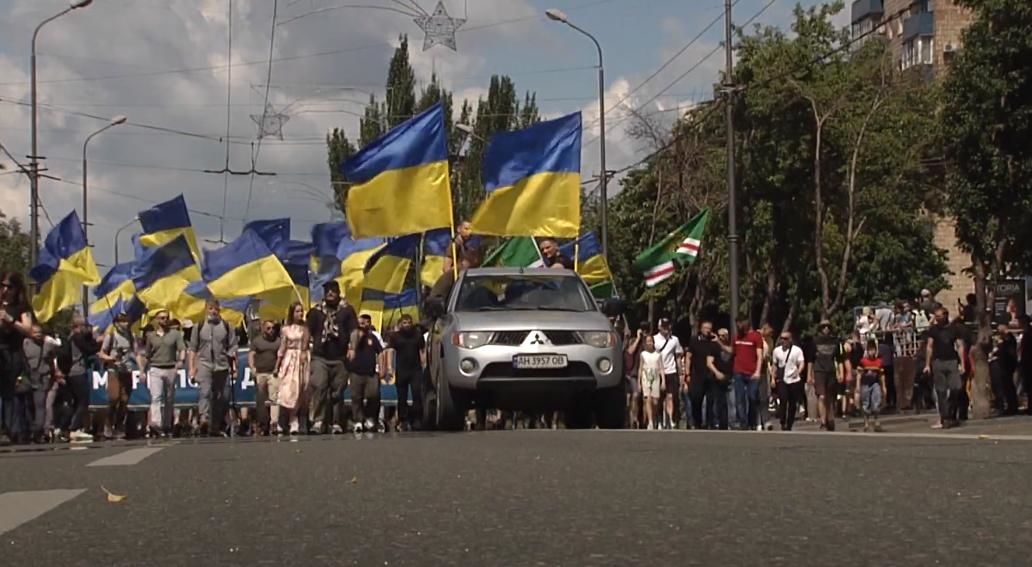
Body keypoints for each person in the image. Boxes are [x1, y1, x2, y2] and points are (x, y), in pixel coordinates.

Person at [307, 281, 357, 434]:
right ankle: (318, 421)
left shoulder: (347, 310)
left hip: (340, 357)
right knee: (320, 386)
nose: (330, 293)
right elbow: (307, 332)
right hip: (320, 356)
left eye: (333, 291)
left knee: (337, 392)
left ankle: (336, 422)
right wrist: (305, 350)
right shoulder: (316, 311)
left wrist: (352, 348)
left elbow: (353, 331)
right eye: (327, 291)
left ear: (338, 292)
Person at [189, 298, 239, 437]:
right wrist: (192, 367)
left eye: (215, 309)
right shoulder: (198, 327)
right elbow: (192, 348)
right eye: (210, 309)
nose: (213, 312)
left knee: (223, 396)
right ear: (206, 309)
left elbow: (233, 345)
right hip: (205, 364)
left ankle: (216, 424)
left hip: (222, 365)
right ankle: (204, 419)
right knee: (205, 392)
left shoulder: (226, 326)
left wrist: (234, 365)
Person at [139, 310, 186, 438]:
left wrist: (181, 361)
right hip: (155, 368)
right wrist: (143, 371)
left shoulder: (175, 334)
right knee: (156, 397)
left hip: (170, 368)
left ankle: (167, 424)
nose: (164, 320)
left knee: (169, 398)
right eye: (162, 318)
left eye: (166, 318)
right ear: (157, 320)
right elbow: (147, 355)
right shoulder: (151, 336)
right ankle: (156, 424)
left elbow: (182, 349)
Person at [0, 272, 34, 446]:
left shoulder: (21, 308)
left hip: (10, 352)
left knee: (7, 393)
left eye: (9, 286)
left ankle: (6, 429)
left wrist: (11, 320)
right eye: (3, 285)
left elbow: (28, 329)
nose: (5, 290)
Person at [15, 324, 61, 443]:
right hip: (27, 378)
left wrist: (53, 374)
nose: (38, 335)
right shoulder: (25, 343)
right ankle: (27, 430)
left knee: (40, 406)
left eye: (40, 332)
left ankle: (38, 432)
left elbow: (53, 358)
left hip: (42, 379)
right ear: (30, 333)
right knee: (26, 406)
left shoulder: (48, 345)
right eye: (35, 333)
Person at [924, 307, 965, 429]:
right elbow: (929, 347)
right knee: (941, 392)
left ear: (946, 316)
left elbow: (960, 346)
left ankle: (952, 414)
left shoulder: (954, 329)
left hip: (952, 361)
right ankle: (945, 418)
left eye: (940, 316)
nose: (937, 319)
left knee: (956, 388)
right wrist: (927, 364)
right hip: (938, 361)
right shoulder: (933, 330)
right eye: (936, 316)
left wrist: (962, 363)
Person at [99, 312, 137, 440]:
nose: (125, 324)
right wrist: (111, 358)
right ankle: (108, 424)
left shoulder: (131, 336)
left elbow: (136, 352)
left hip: (127, 370)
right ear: (116, 323)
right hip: (114, 370)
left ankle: (119, 426)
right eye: (122, 321)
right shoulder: (111, 336)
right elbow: (101, 354)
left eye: (127, 321)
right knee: (113, 397)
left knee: (124, 400)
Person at [63, 316, 99, 442]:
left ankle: (66, 428)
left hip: (72, 373)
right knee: (84, 400)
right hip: (77, 371)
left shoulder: (71, 338)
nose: (87, 328)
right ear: (78, 326)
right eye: (85, 326)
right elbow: (91, 349)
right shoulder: (77, 338)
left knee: (76, 401)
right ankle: (74, 428)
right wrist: (96, 339)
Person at [276, 302, 310, 435]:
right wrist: (277, 364)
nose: (300, 314)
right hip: (289, 359)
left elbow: (306, 343)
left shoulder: (305, 328)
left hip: (301, 358)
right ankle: (284, 420)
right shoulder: (285, 329)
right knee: (287, 390)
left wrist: (303, 352)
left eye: (301, 311)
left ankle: (295, 420)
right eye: (297, 311)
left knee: (300, 390)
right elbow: (282, 347)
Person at [388, 314, 425, 431]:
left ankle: (417, 420)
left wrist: (424, 364)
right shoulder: (395, 336)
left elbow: (422, 350)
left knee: (417, 394)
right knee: (402, 397)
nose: (407, 325)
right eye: (404, 323)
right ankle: (403, 420)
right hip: (401, 369)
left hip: (415, 370)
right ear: (400, 324)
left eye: (409, 322)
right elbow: (390, 351)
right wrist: (389, 366)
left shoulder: (417, 335)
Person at [348, 313, 383, 433]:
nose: (364, 323)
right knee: (356, 397)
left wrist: (382, 368)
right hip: (356, 371)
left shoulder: (373, 337)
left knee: (373, 395)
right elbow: (352, 346)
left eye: (367, 321)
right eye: (362, 320)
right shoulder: (353, 334)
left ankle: (369, 417)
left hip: (371, 372)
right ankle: (358, 420)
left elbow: (380, 352)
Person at [809, 319, 845, 431]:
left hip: (831, 371)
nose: (826, 329)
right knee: (822, 396)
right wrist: (809, 375)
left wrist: (841, 372)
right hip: (819, 371)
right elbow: (810, 360)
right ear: (820, 328)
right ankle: (823, 422)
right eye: (824, 327)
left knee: (830, 398)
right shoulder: (815, 341)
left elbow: (839, 359)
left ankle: (830, 419)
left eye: (828, 327)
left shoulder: (835, 341)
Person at [250, 319, 282, 436]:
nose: (271, 331)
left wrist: (277, 368)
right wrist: (252, 367)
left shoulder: (278, 341)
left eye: (273, 328)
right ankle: (263, 423)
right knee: (261, 399)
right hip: (260, 373)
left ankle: (274, 423)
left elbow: (280, 356)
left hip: (273, 373)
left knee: (274, 398)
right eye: (268, 328)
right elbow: (251, 354)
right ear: (263, 329)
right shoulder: (257, 341)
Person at [732, 318, 764, 430]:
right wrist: (719, 343)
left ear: (746, 323)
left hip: (752, 372)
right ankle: (743, 422)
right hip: (738, 371)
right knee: (739, 398)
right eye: (737, 325)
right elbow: (733, 352)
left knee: (752, 397)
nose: (738, 326)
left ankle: (752, 421)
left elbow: (760, 355)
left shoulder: (756, 336)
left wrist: (758, 371)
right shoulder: (737, 337)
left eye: (740, 324)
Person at [652, 318, 684, 430]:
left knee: (670, 396)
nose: (666, 328)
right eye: (664, 326)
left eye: (668, 326)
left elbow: (678, 357)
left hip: (671, 371)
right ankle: (659, 420)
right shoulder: (654, 339)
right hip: (658, 372)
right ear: (659, 327)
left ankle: (671, 419)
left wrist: (681, 373)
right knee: (658, 398)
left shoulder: (674, 340)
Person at [772, 331, 805, 431]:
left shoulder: (797, 350)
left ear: (790, 339)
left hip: (794, 379)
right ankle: (782, 421)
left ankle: (789, 423)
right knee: (783, 400)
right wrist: (773, 378)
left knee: (792, 403)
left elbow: (802, 362)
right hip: (782, 379)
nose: (783, 340)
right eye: (782, 338)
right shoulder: (777, 351)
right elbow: (774, 365)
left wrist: (798, 372)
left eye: (786, 338)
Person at [686, 320, 716, 430]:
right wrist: (687, 373)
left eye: (709, 328)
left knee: (710, 400)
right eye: (705, 328)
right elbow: (688, 357)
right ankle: (696, 421)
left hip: (710, 375)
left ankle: (709, 423)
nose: (707, 330)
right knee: (696, 398)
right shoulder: (694, 341)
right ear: (701, 329)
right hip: (697, 374)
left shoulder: (713, 342)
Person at [988, 323, 1019, 417]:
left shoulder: (1008, 339)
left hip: (1006, 366)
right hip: (1002, 366)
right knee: (1005, 387)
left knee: (1007, 387)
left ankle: (1011, 406)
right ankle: (1010, 406)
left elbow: (1009, 351)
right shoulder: (1004, 340)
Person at [706, 328, 733, 430]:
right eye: (719, 335)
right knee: (718, 401)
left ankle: (730, 423)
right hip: (717, 377)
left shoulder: (731, 345)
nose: (721, 337)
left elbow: (731, 351)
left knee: (731, 402)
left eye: (723, 335)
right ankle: (717, 423)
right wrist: (717, 373)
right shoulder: (713, 346)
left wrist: (719, 343)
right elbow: (709, 362)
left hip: (730, 376)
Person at [858, 340, 886, 432]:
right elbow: (859, 374)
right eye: (870, 350)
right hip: (865, 384)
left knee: (876, 402)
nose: (871, 352)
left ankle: (876, 421)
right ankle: (866, 423)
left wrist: (884, 386)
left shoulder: (879, 361)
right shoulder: (863, 361)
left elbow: (882, 375)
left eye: (873, 350)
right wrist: (857, 386)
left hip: (875, 383)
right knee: (866, 404)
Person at [624, 322, 647, 429]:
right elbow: (630, 352)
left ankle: (644, 421)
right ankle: (633, 419)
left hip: (646, 372)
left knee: (646, 397)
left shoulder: (649, 341)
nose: (644, 331)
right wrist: (638, 338)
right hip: (634, 372)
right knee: (635, 395)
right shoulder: (634, 340)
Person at [638, 335, 662, 429]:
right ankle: (650, 421)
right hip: (646, 377)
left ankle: (656, 417)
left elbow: (661, 369)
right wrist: (639, 382)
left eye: (651, 341)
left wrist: (663, 381)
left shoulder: (658, 354)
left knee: (655, 401)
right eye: (647, 341)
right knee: (648, 399)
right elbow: (640, 368)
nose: (649, 343)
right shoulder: (643, 354)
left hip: (655, 376)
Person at [758, 323, 775, 431]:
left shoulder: (770, 341)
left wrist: (772, 376)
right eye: (768, 332)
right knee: (755, 397)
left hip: (764, 368)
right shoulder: (757, 337)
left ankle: (765, 420)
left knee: (764, 397)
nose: (770, 335)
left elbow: (769, 359)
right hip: (755, 368)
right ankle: (757, 421)